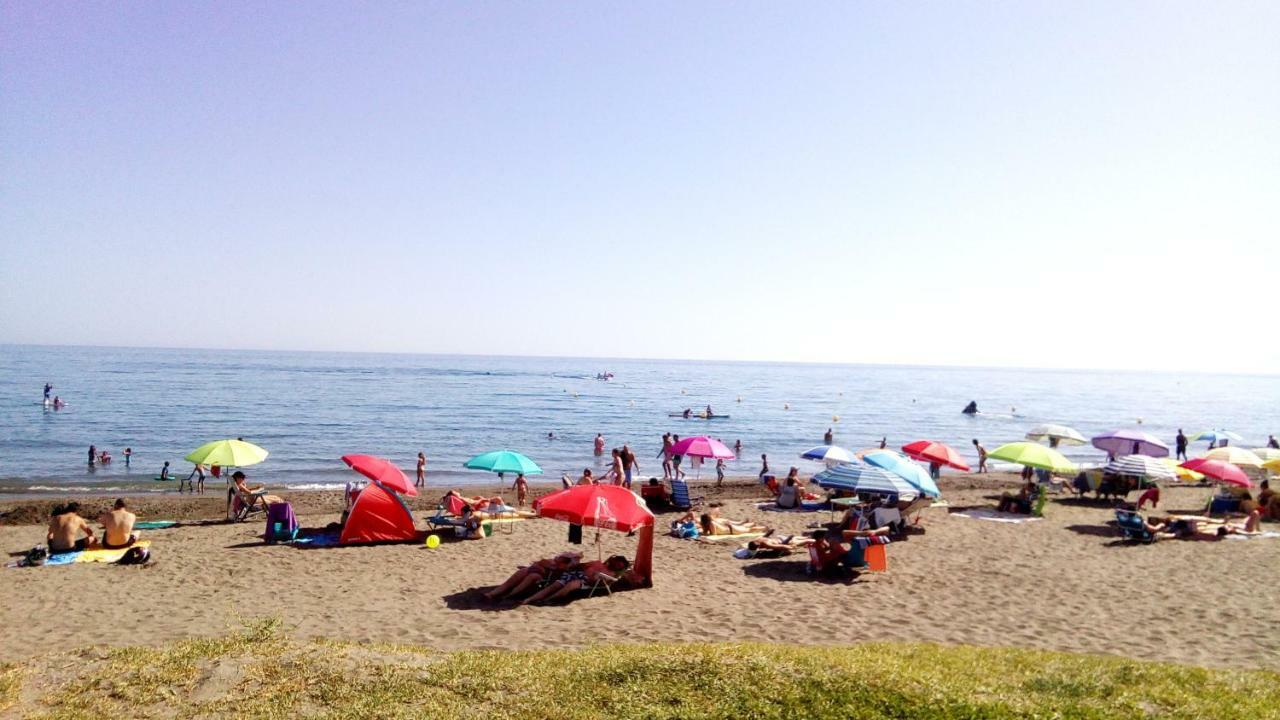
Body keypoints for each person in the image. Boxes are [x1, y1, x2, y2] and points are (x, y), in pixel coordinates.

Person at [519, 555, 633, 605]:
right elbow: (582, 565)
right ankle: (529, 599)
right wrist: (574, 565)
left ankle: (548, 599)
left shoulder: (611, 573)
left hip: (585, 581)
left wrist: (599, 576)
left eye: (620, 566)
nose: (617, 565)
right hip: (576, 574)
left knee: (570, 586)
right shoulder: (597, 563)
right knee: (556, 585)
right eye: (617, 562)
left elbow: (607, 582)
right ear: (613, 560)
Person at [483, 551, 582, 600]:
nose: (558, 559)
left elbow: (579, 557)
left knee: (532, 576)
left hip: (543, 578)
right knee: (522, 572)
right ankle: (493, 593)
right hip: (536, 571)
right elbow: (538, 563)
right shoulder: (553, 562)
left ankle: (509, 595)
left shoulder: (568, 569)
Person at [684, 510, 769, 536]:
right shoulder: (710, 523)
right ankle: (755, 524)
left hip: (732, 530)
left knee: (749, 530)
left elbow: (714, 534)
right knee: (746, 528)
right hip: (730, 528)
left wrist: (704, 534)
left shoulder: (711, 524)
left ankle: (765, 528)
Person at [743, 534, 815, 558]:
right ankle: (807, 537)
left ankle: (815, 540)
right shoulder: (758, 538)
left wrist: (792, 547)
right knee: (795, 538)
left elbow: (781, 546)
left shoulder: (766, 544)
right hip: (779, 538)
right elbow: (767, 534)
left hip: (784, 542)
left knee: (804, 542)